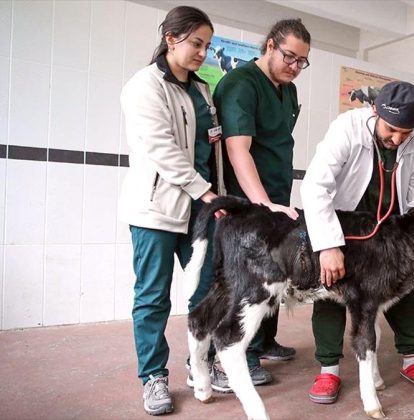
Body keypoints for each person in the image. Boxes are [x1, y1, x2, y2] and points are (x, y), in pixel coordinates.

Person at [301, 81, 414, 405]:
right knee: (332, 288)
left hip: (389, 227)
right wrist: (327, 246)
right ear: (375, 112)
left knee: (404, 288)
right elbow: (314, 187)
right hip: (344, 224)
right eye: (392, 129)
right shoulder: (347, 129)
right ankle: (329, 369)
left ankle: (411, 359)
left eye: (405, 133)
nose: (397, 139)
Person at [119, 6, 226, 415]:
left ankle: (201, 363)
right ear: (171, 39)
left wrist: (219, 196)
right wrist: (206, 193)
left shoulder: (201, 90)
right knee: (152, 296)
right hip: (156, 210)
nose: (202, 52)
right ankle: (153, 377)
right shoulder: (144, 86)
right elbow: (162, 150)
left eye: (207, 45)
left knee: (208, 291)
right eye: (196, 43)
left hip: (201, 208)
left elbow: (211, 150)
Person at [213, 18, 311, 385]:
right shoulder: (240, 85)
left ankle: (265, 342)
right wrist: (261, 204)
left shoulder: (288, 89)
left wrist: (276, 201)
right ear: (270, 46)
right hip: (248, 201)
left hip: (275, 194)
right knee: (246, 279)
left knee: (275, 271)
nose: (295, 67)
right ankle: (232, 357)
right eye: (289, 57)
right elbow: (238, 150)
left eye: (302, 61)